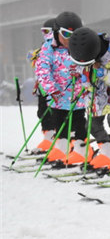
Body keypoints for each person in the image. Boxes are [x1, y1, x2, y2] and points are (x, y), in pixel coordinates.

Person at [68, 27, 110, 170]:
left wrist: (100, 70)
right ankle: (107, 152)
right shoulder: (80, 52)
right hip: (95, 94)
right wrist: (78, 77)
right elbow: (81, 69)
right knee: (92, 125)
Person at [33, 11, 92, 165]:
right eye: (65, 34)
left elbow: (89, 66)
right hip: (58, 97)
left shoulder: (80, 46)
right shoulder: (48, 48)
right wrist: (51, 89)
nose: (69, 39)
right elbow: (42, 70)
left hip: (77, 97)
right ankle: (62, 148)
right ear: (56, 32)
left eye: (74, 34)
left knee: (79, 123)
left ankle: (81, 149)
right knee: (60, 124)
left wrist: (81, 76)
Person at [28, 18, 58, 153]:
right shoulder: (45, 45)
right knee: (42, 112)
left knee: (54, 113)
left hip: (54, 86)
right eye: (43, 31)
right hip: (42, 86)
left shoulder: (57, 46)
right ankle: (48, 138)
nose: (45, 34)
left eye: (47, 31)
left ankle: (61, 139)